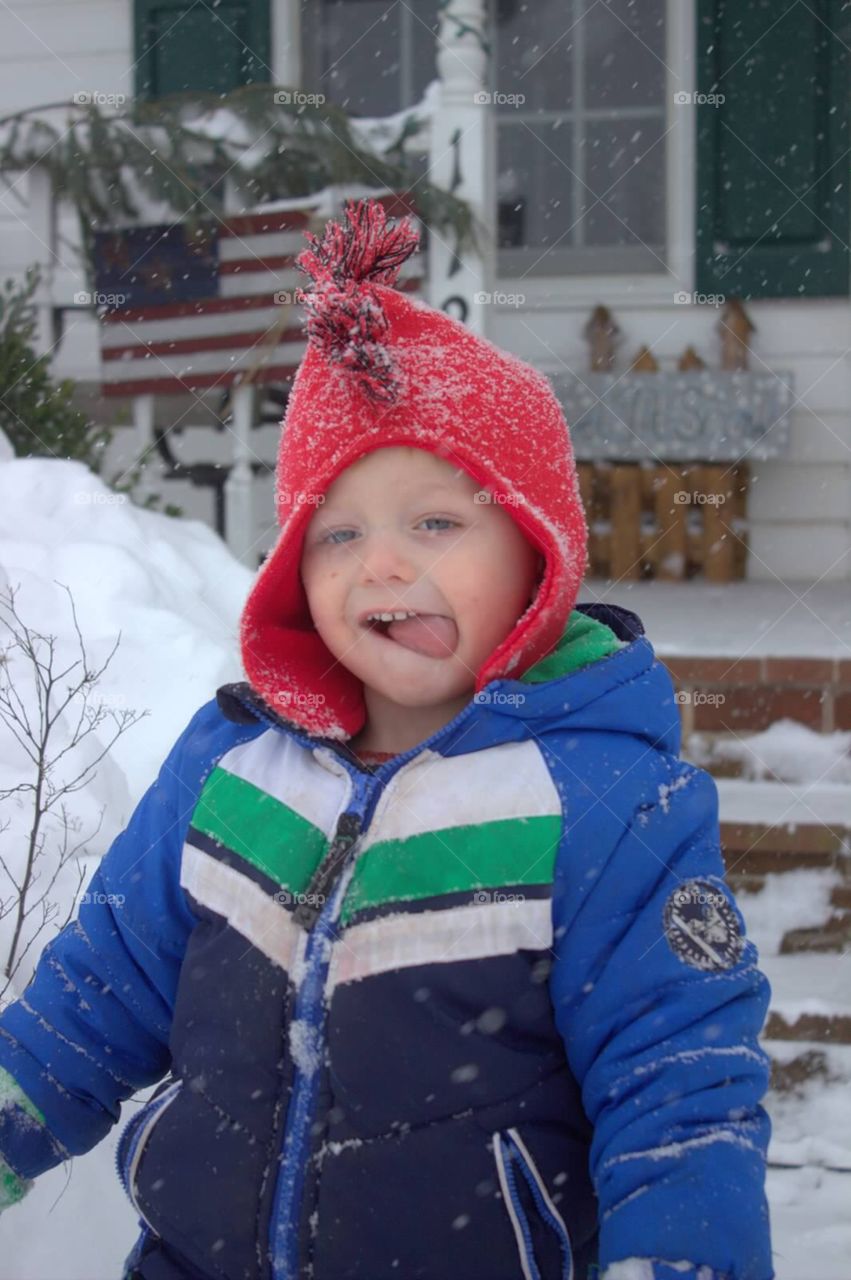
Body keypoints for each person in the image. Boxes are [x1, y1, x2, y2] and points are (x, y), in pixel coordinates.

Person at [0, 199, 774, 1280]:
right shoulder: (229, 767)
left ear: (536, 558)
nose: (380, 565)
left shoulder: (602, 805)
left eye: (435, 523)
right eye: (339, 531)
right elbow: (103, 982)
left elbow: (678, 1086)